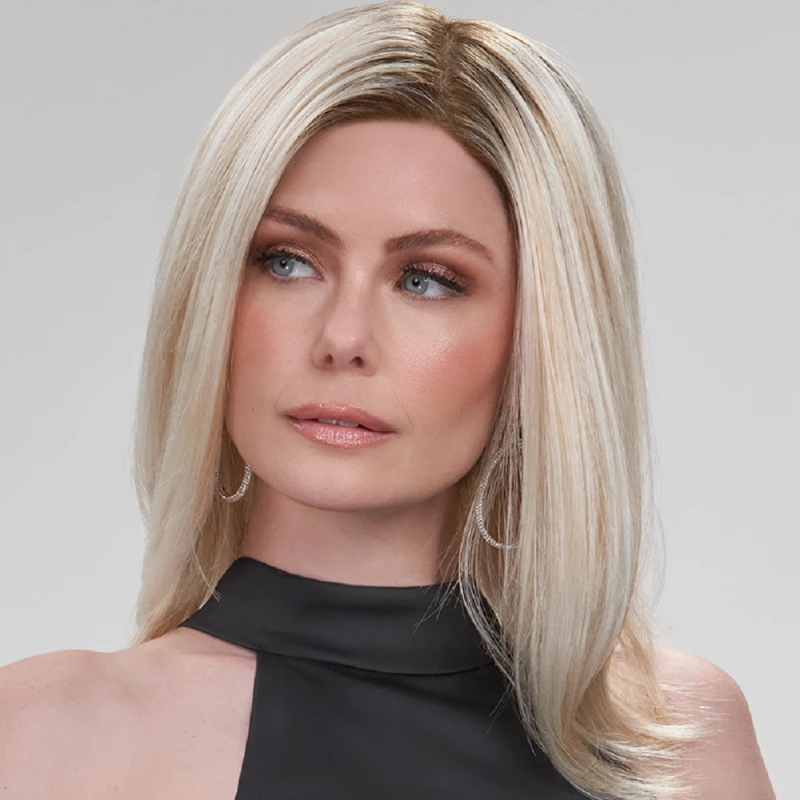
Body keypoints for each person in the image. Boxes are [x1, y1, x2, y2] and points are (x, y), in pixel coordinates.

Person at [0, 2, 775, 798]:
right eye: (287, 261)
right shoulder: (49, 739)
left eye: (427, 280)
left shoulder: (675, 742)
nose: (342, 337)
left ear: (541, 341)